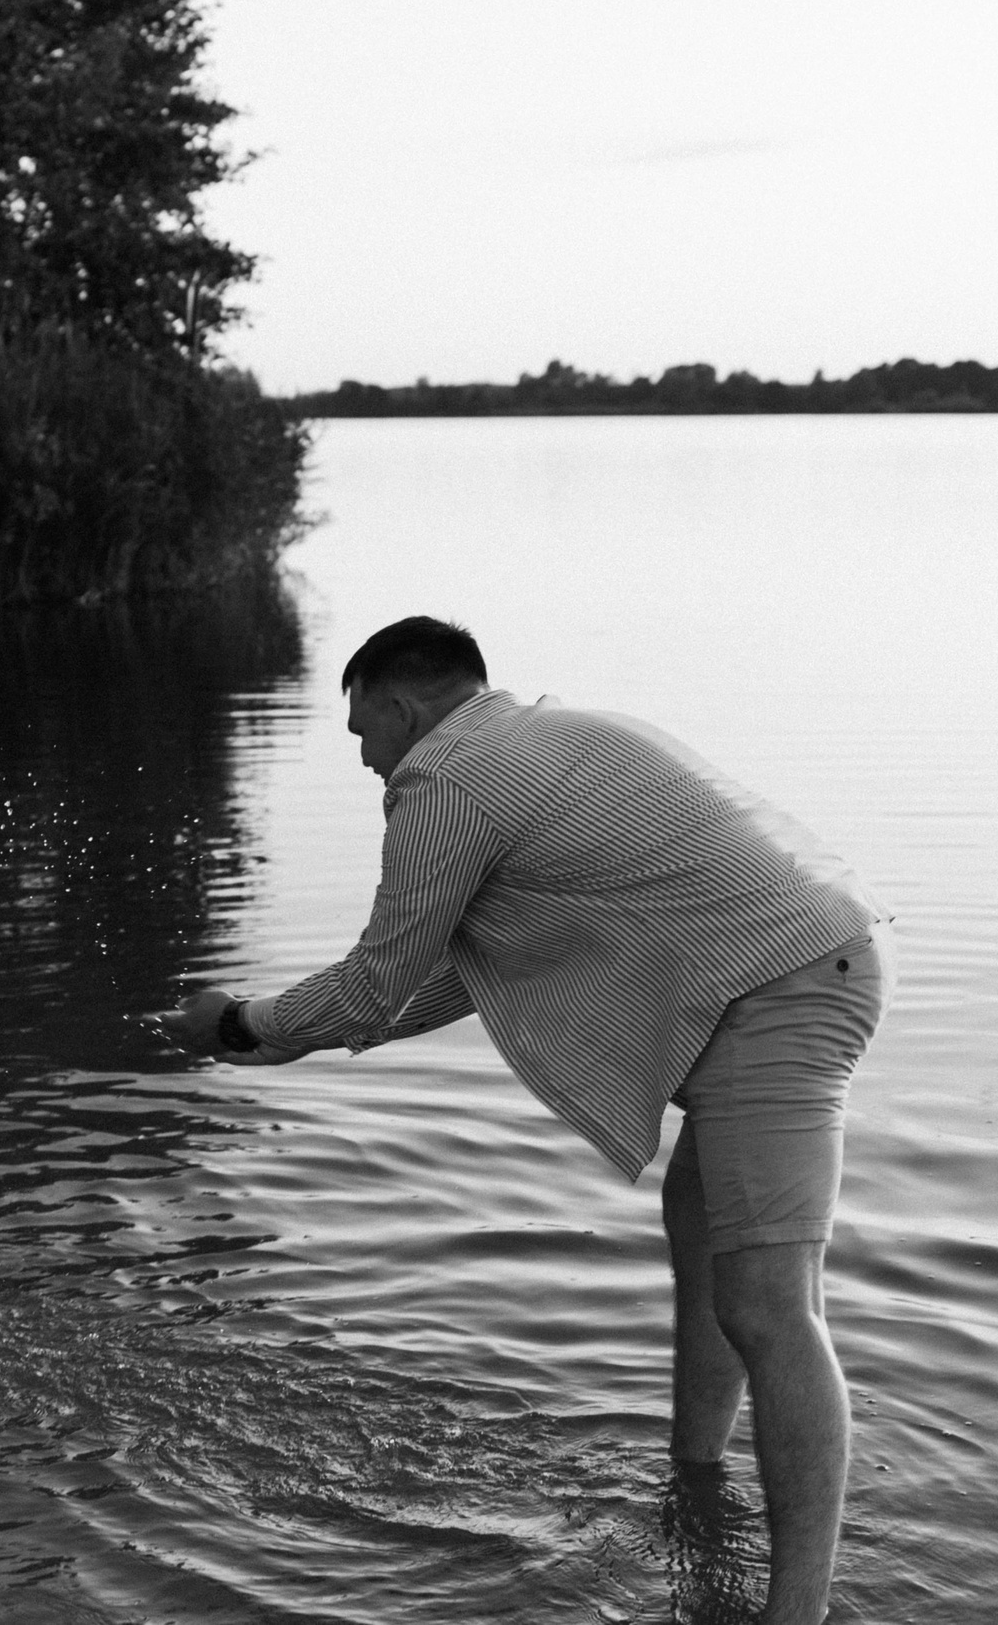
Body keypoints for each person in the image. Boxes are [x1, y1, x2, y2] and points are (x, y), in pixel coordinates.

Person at [149, 616, 891, 1625]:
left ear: (402, 706)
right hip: (785, 976)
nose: (368, 763)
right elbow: (443, 979)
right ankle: (696, 1485)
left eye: (363, 733)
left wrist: (238, 1025)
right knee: (713, 1265)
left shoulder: (445, 777)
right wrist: (277, 1039)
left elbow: (376, 983)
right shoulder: (525, 746)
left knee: (768, 1302)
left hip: (780, 991)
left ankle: (791, 1614)